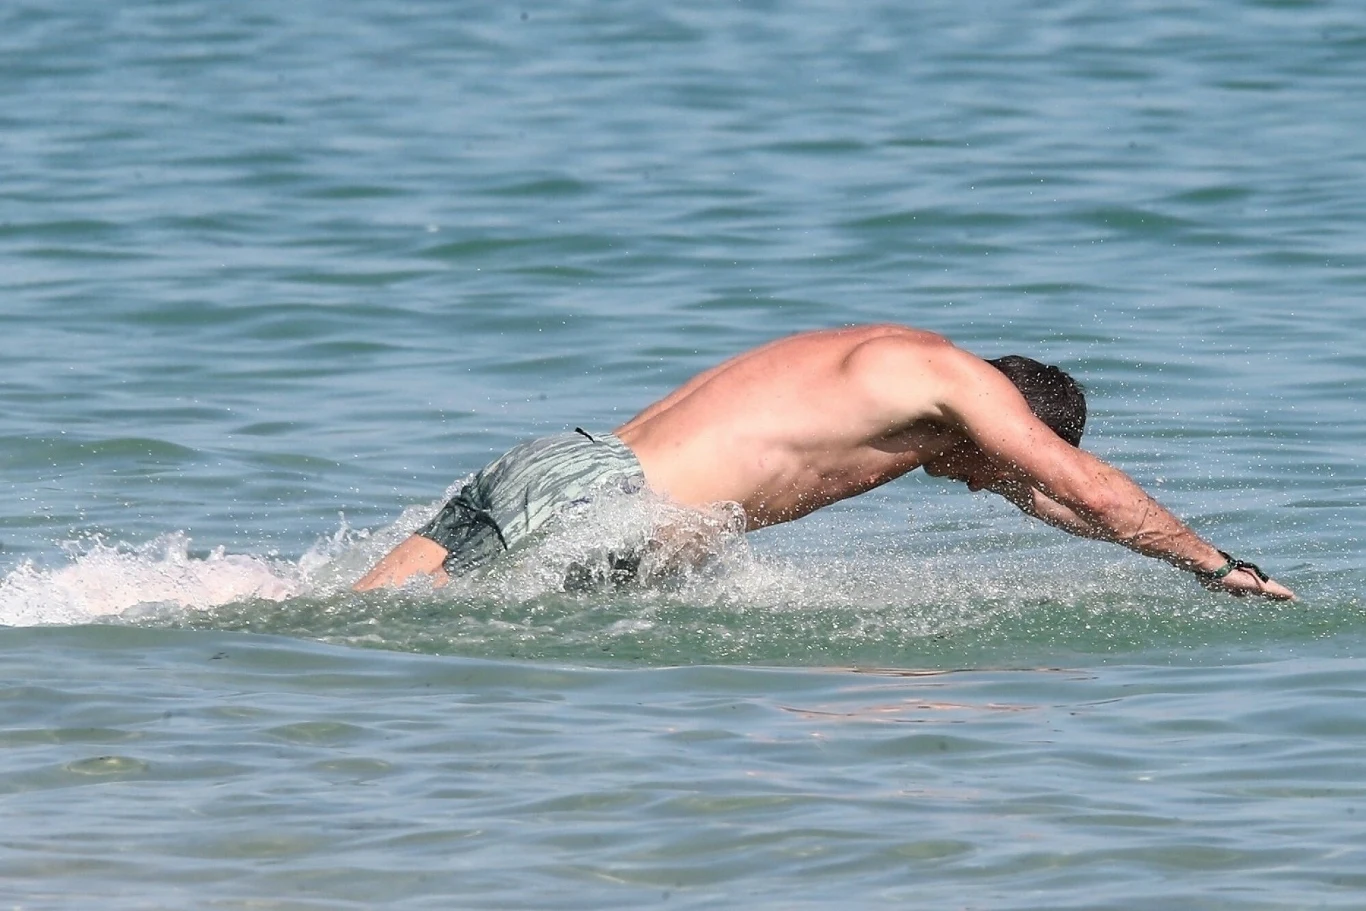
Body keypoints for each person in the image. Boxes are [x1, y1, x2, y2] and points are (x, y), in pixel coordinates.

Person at [354, 324, 1294, 600]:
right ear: (1012, 423)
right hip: (618, 512)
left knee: (348, 617)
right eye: (999, 466)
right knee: (424, 634)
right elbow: (1082, 486)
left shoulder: (895, 365)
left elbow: (1057, 502)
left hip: (559, 464)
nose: (986, 486)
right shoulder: (958, 384)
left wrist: (1165, 557)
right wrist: (1219, 566)